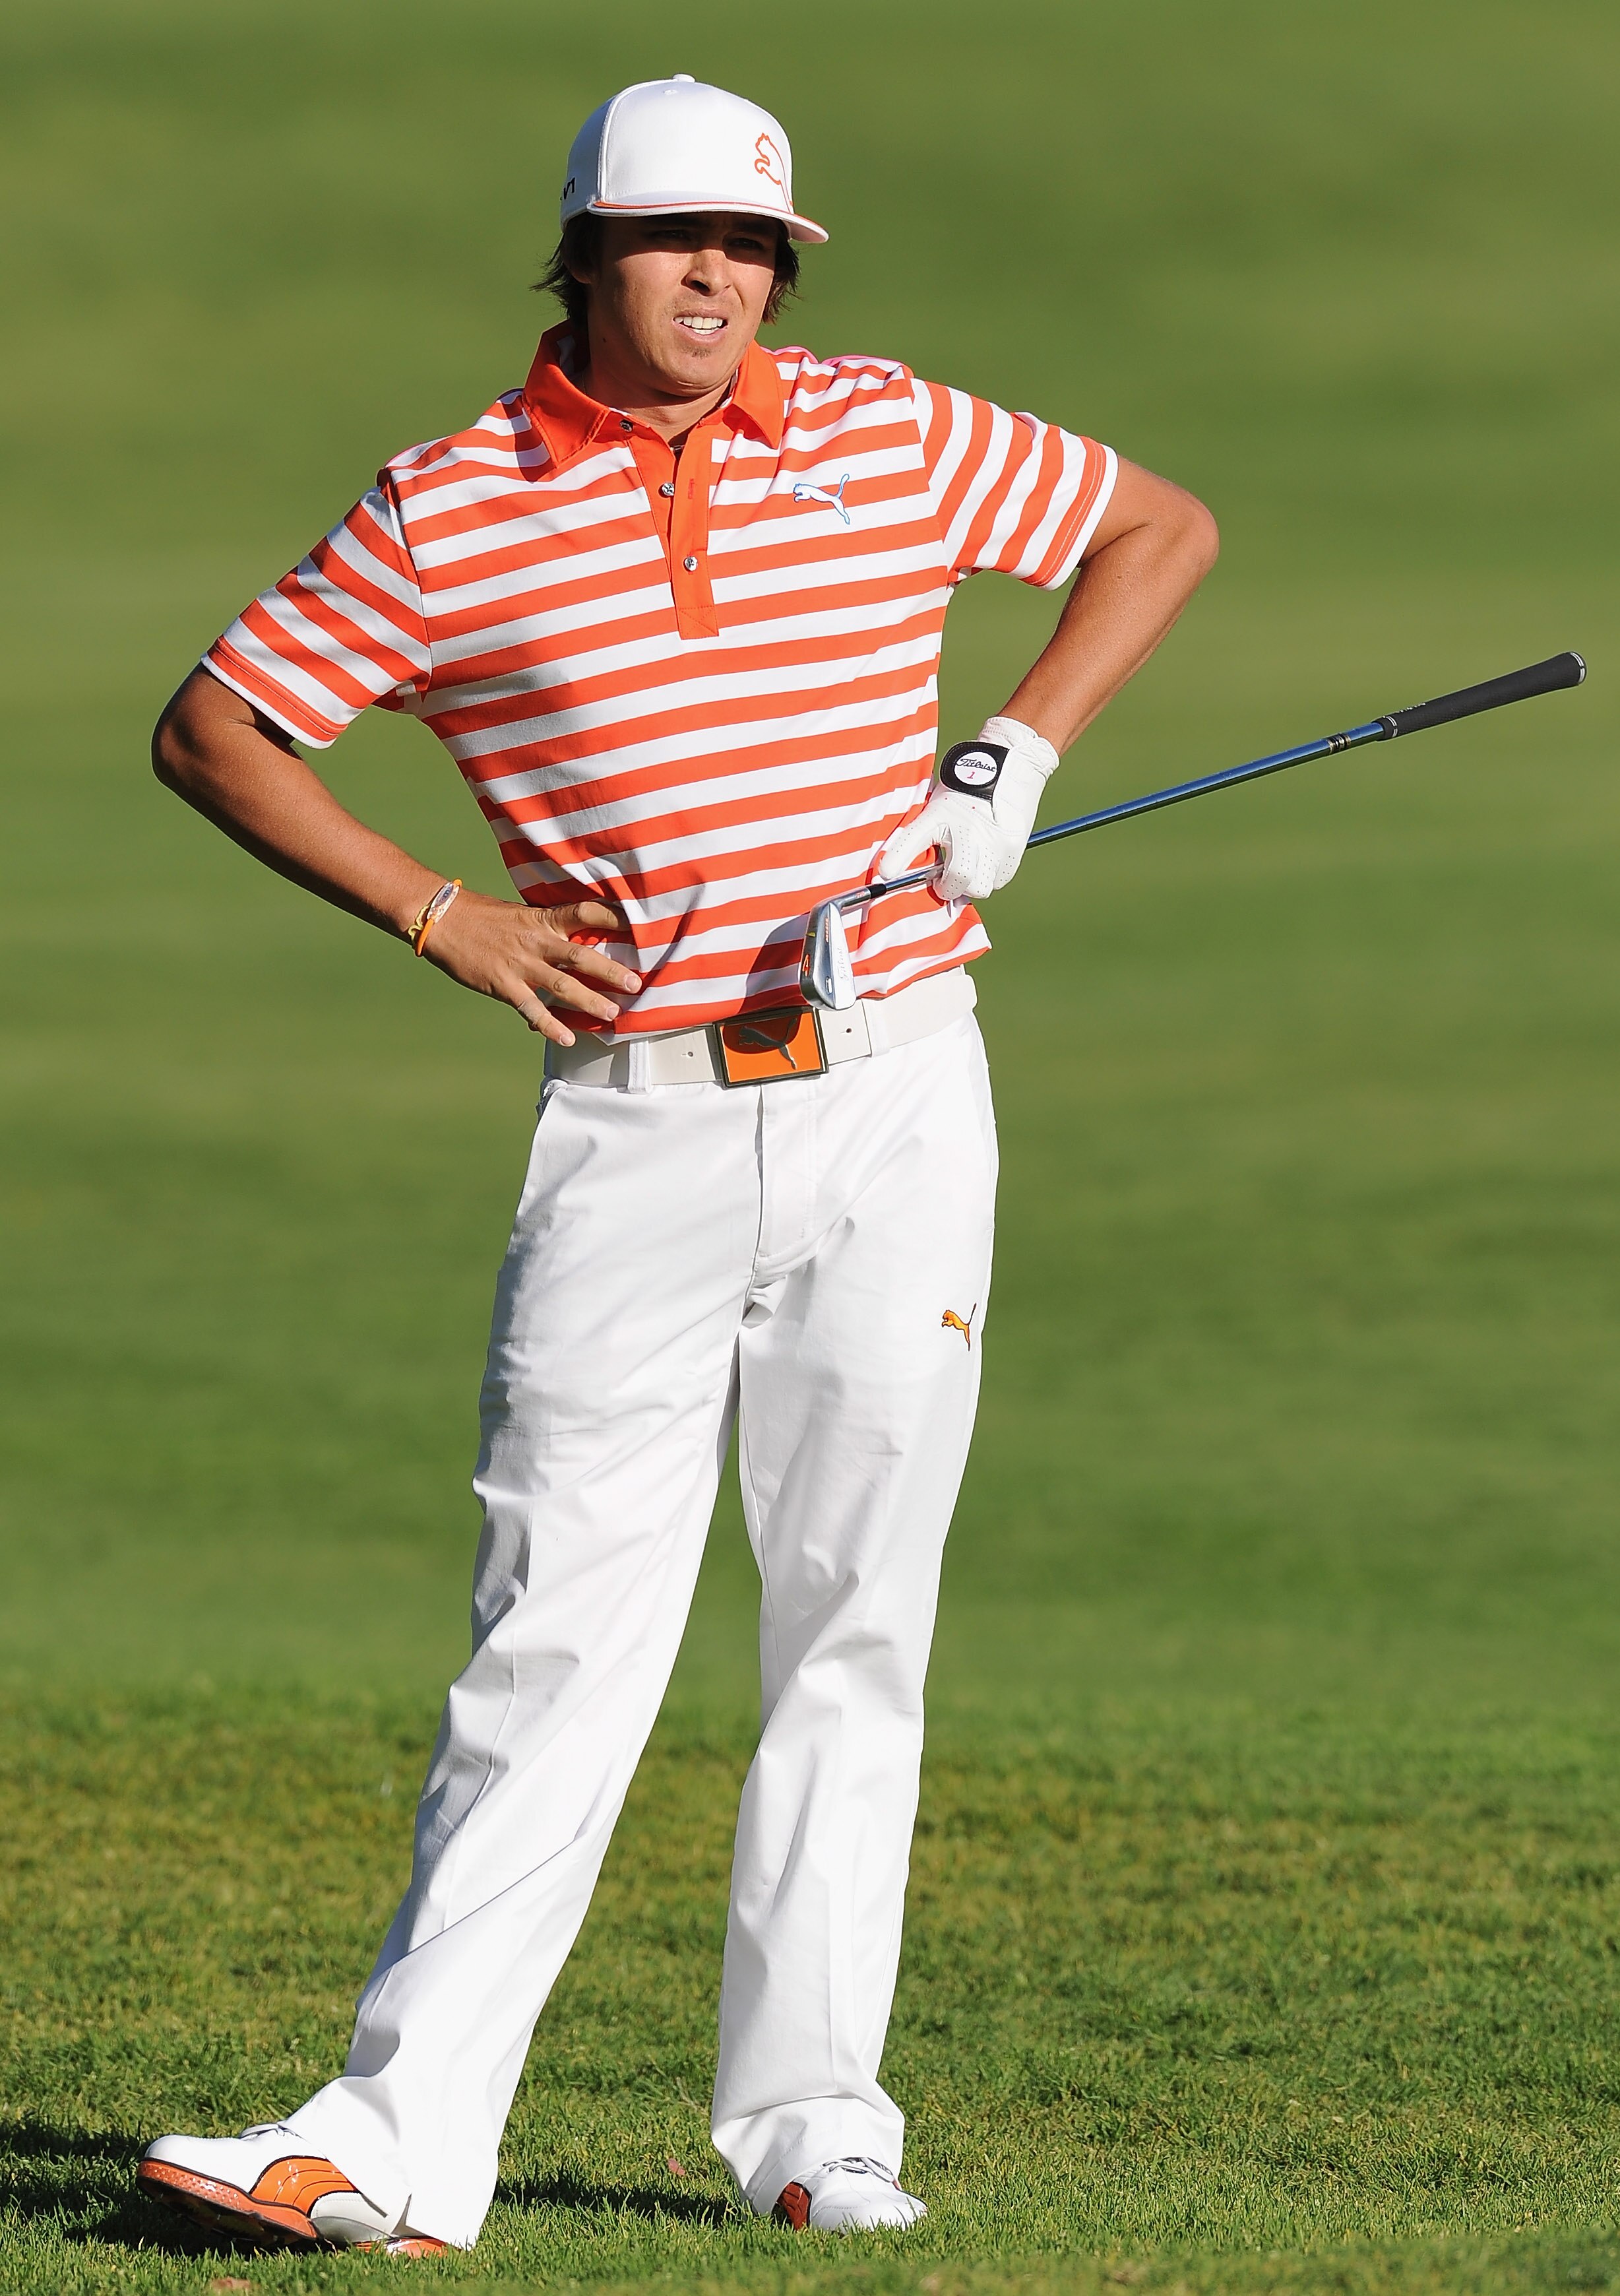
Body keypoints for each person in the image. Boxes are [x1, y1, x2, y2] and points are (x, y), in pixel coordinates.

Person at [136, 74, 1218, 2257]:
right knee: (555, 1629)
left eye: (754, 248)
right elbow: (219, 724)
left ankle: (817, 2126)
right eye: (672, 242)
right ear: (586, 256)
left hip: (903, 1084)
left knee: (854, 1618)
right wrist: (444, 913)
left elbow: (1154, 527)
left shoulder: (885, 430)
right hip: (633, 1119)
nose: (719, 278)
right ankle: (402, 2139)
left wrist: (1010, 752)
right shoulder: (448, 511)